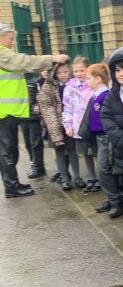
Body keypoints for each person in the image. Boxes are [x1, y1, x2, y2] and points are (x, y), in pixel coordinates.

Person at [0, 22, 68, 197]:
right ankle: (12, 187)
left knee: (9, 150)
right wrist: (52, 59)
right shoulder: (2, 53)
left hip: (7, 112)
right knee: (8, 152)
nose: (12, 43)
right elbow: (24, 62)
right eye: (10, 39)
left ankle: (12, 184)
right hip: (4, 112)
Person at [99, 46, 123, 218]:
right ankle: (119, 202)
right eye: (117, 70)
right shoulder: (113, 95)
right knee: (112, 171)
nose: (122, 74)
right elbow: (106, 117)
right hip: (122, 143)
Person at [38, 61, 80, 191]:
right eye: (59, 72)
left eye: (65, 72)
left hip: (71, 122)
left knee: (72, 150)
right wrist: (54, 126)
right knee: (60, 150)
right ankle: (65, 178)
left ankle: (78, 177)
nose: (62, 75)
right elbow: (46, 106)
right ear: (54, 73)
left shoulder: (74, 83)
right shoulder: (48, 87)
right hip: (55, 124)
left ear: (70, 71)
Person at [62, 56, 95, 191]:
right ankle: (93, 178)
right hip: (79, 126)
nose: (79, 73)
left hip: (94, 125)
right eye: (76, 71)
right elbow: (67, 108)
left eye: (82, 70)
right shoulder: (70, 87)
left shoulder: (93, 84)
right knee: (86, 153)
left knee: (99, 153)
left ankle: (103, 178)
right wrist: (68, 126)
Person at [78, 63, 110, 197]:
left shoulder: (105, 96)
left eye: (89, 78)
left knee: (103, 168)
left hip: (104, 137)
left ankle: (113, 197)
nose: (87, 82)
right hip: (97, 136)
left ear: (98, 79)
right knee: (102, 167)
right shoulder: (96, 96)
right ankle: (111, 197)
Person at [21, 73, 46, 179]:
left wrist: (39, 107)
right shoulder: (19, 81)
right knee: (28, 143)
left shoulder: (35, 81)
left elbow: (42, 97)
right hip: (22, 117)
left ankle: (38, 167)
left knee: (36, 143)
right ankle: (34, 163)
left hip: (34, 119)